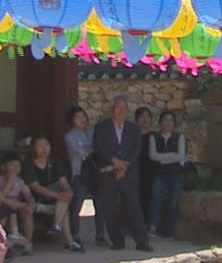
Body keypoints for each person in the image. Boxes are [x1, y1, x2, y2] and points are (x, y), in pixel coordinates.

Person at [90, 96, 151, 252]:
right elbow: (98, 148)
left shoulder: (133, 128)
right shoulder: (101, 127)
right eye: (118, 108)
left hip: (128, 172)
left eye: (124, 108)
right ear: (112, 109)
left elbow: (137, 148)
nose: (121, 111)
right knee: (109, 207)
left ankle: (142, 241)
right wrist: (114, 161)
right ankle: (117, 240)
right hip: (108, 171)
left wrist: (124, 165)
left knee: (133, 206)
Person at [25, 137, 80, 253]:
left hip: (55, 200)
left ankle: (57, 226)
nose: (44, 148)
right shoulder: (29, 164)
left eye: (46, 145)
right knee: (64, 208)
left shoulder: (55, 162)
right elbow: (35, 186)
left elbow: (63, 181)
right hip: (37, 199)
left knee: (65, 199)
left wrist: (68, 191)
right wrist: (57, 196)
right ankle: (68, 240)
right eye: (40, 146)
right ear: (34, 148)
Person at [145, 110, 189, 241]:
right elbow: (153, 155)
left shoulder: (179, 137)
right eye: (165, 120)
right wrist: (170, 156)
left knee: (173, 202)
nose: (168, 123)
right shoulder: (154, 137)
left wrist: (163, 159)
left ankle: (169, 231)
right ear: (160, 122)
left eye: (171, 120)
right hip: (159, 174)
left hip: (176, 174)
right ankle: (153, 226)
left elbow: (181, 156)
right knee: (155, 200)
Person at [64, 106, 101, 246]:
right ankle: (74, 234)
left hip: (94, 172)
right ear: (72, 120)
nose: (82, 120)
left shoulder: (92, 131)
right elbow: (81, 152)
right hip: (79, 173)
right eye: (78, 117)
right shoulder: (69, 136)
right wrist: (90, 149)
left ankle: (100, 233)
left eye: (83, 116)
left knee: (100, 203)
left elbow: (98, 148)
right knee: (76, 205)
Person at [0, 155, 31, 253]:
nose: (15, 168)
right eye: (12, 165)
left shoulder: (19, 181)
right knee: (8, 209)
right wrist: (10, 182)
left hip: (15, 204)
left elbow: (28, 195)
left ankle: (27, 242)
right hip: (5, 204)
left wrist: (30, 204)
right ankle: (12, 234)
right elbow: (1, 198)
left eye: (18, 166)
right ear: (3, 167)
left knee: (26, 211)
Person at [133, 105, 154, 226]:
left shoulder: (155, 136)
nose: (145, 119)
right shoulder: (132, 137)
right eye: (142, 116)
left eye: (147, 116)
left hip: (152, 171)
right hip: (137, 170)